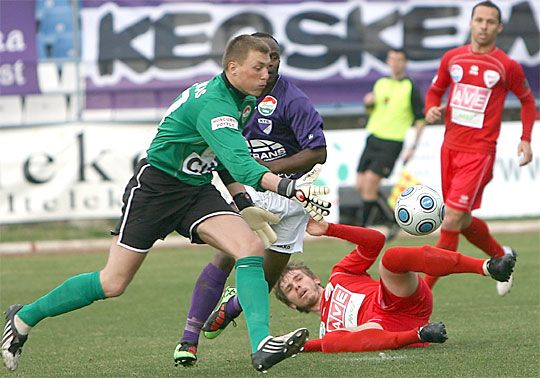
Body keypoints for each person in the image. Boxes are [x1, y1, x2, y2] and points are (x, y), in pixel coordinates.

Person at [1, 35, 331, 373]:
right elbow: (244, 165)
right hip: (156, 189)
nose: (267, 73)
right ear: (233, 68)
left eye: (269, 65)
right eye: (258, 67)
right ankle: (24, 317)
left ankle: (261, 345)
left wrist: (242, 202)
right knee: (112, 283)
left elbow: (221, 159)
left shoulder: (244, 98)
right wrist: (293, 189)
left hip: (196, 190)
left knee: (249, 248)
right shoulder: (215, 105)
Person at [173, 32, 327, 367]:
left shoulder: (293, 100)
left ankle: (231, 308)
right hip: (257, 188)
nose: (269, 64)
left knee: (268, 278)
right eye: (262, 58)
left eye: (274, 56)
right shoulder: (231, 99)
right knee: (227, 255)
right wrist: (255, 178)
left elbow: (318, 151)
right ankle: (189, 338)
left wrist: (269, 169)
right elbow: (226, 152)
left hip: (291, 197)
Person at [424, 1, 536, 295]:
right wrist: (431, 109)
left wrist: (526, 138)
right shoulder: (452, 58)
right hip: (449, 149)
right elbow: (435, 90)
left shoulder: (506, 65)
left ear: (498, 28)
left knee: (450, 220)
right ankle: (501, 257)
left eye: (490, 22)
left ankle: (421, 292)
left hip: (479, 153)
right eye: (479, 20)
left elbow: (527, 101)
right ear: (471, 23)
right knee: (461, 220)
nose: (484, 26)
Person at [273, 219, 516, 353]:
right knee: (331, 343)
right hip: (387, 329)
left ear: (314, 278)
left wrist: (329, 229)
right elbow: (306, 345)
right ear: (293, 306)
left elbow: (375, 241)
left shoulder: (340, 274)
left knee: (391, 258)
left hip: (397, 298)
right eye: (290, 289)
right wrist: (288, 346)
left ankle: (487, 267)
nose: (297, 287)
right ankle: (419, 335)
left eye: (298, 279)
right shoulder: (326, 332)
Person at [356, 48, 425, 240]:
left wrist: (413, 147)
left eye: (399, 60)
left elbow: (420, 119)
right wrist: (368, 104)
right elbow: (372, 111)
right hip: (373, 137)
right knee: (360, 185)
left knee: (370, 184)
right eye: (392, 59)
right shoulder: (381, 82)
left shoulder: (411, 87)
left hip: (392, 142)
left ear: (405, 63)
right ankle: (393, 219)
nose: (395, 63)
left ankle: (361, 230)